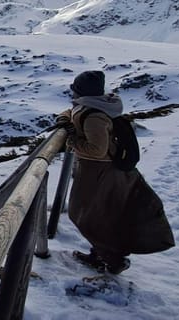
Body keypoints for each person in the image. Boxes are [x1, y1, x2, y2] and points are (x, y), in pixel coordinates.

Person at [56, 70, 134, 274]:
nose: (72, 93)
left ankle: (112, 258)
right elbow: (72, 110)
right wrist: (65, 119)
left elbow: (97, 150)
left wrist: (71, 140)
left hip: (96, 169)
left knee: (83, 213)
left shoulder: (94, 116)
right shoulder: (96, 105)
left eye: (75, 88)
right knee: (95, 213)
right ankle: (103, 254)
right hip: (99, 170)